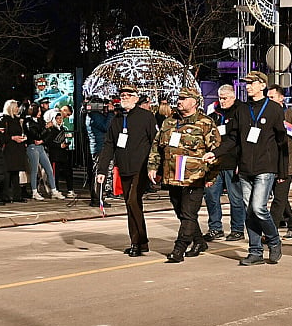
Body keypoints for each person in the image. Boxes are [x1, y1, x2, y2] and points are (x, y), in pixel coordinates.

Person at [203, 71, 287, 266]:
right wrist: (215, 153)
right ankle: (255, 251)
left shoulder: (274, 109)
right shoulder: (242, 109)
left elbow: (282, 141)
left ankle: (274, 241)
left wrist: (282, 171)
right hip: (245, 168)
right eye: (246, 83)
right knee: (250, 211)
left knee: (258, 208)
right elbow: (233, 138)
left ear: (262, 86)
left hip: (265, 167)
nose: (248, 86)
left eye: (252, 83)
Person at [149, 86, 220, 262]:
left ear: (194, 102)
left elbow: (217, 152)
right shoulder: (169, 122)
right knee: (181, 212)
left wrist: (211, 177)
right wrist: (152, 166)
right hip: (172, 175)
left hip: (194, 177)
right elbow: (157, 147)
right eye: (178, 98)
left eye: (183, 99)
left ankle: (179, 249)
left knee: (189, 213)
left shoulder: (206, 123)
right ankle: (199, 241)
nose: (179, 102)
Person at [97, 84, 157, 257]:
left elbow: (155, 142)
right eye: (122, 95)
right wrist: (102, 170)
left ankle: (138, 242)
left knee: (133, 201)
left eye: (128, 95)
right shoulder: (116, 119)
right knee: (131, 205)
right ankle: (138, 241)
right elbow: (109, 144)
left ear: (136, 98)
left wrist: (155, 167)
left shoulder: (146, 117)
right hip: (124, 167)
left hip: (141, 167)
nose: (124, 97)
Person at [203, 84, 247, 242]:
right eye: (220, 98)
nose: (222, 101)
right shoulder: (214, 112)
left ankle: (237, 229)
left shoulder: (241, 111)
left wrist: (240, 162)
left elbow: (241, 139)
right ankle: (215, 228)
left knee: (236, 198)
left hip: (233, 161)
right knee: (211, 196)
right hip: (215, 162)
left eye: (225, 98)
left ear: (233, 96)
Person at [266, 84, 292, 240]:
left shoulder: (291, 115)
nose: (269, 100)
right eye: (268, 98)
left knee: (279, 199)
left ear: (281, 98)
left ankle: (270, 232)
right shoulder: (268, 114)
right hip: (273, 162)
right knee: (281, 197)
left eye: (272, 97)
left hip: (288, 163)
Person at [23, 102, 64, 201]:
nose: (40, 113)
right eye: (39, 111)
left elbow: (47, 135)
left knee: (49, 169)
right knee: (34, 170)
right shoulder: (28, 122)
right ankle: (34, 191)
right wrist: (45, 129)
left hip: (41, 147)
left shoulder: (40, 121)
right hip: (32, 147)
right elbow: (35, 135)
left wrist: (43, 139)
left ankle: (54, 190)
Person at [0, 100, 28, 203]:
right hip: (9, 148)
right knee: (7, 172)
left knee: (16, 172)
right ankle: (4, 195)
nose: (17, 109)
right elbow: (1, 135)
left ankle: (17, 195)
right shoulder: (4, 119)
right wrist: (12, 138)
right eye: (15, 107)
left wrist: (22, 138)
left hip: (18, 149)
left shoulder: (16, 119)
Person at [86, 97, 113, 207]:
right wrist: (110, 113)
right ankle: (97, 199)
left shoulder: (91, 115)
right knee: (100, 172)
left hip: (97, 147)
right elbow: (106, 127)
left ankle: (97, 198)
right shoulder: (95, 116)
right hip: (100, 147)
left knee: (98, 172)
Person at [45, 109, 75, 197]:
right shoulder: (51, 130)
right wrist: (59, 146)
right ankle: (55, 190)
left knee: (68, 172)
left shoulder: (62, 128)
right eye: (57, 118)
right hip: (55, 155)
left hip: (63, 154)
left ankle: (70, 190)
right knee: (55, 174)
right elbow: (49, 142)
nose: (59, 120)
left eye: (60, 118)